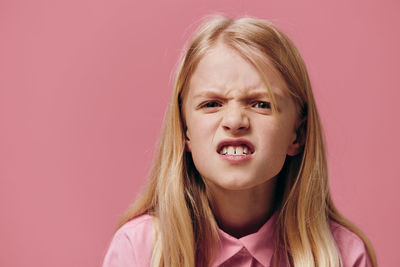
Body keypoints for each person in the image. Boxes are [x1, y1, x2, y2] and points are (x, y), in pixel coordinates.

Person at [102, 14, 377, 267]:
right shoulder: (138, 251)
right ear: (185, 130)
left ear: (298, 134)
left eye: (260, 104)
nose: (234, 121)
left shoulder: (345, 256)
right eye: (211, 104)